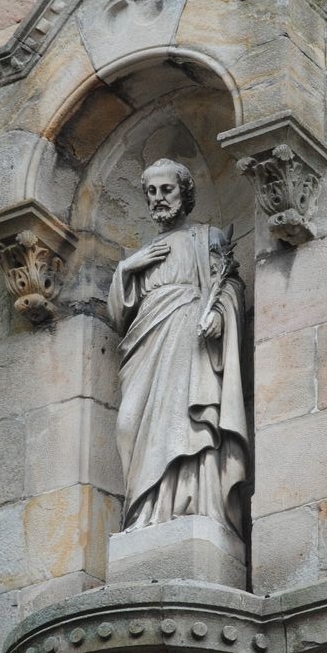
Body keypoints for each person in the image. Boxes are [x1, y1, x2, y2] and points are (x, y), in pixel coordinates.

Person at [107, 158, 249, 537]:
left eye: (166, 189)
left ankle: (191, 506)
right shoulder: (142, 256)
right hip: (146, 347)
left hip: (190, 341)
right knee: (128, 424)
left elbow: (230, 286)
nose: (158, 198)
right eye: (151, 192)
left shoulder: (208, 238)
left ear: (184, 193)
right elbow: (119, 317)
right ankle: (144, 513)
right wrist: (127, 269)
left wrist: (220, 314)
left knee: (188, 421)